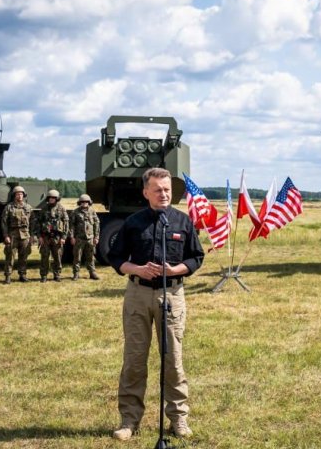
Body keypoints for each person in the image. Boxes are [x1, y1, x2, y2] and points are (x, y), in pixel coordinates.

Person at [108, 168, 204, 441]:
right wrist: (137, 268)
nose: (163, 194)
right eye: (158, 190)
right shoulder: (133, 222)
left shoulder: (182, 222)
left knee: (173, 360)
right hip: (138, 295)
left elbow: (196, 258)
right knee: (134, 360)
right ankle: (129, 420)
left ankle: (178, 419)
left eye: (167, 190)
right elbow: (116, 259)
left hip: (172, 295)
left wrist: (174, 271)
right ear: (146, 192)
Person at [1, 185, 33, 283]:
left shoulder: (28, 207)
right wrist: (6, 235)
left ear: (24, 195)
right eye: (17, 194)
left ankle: (22, 275)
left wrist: (32, 236)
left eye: (21, 194)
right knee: (10, 256)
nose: (19, 196)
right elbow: (4, 222)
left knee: (23, 256)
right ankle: (8, 276)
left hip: (25, 235)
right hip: (12, 235)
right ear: (14, 195)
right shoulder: (9, 207)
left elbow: (33, 222)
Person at [36, 189, 68, 282]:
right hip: (45, 237)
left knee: (57, 257)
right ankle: (44, 275)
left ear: (57, 199)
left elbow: (66, 223)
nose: (51, 199)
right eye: (50, 198)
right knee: (44, 257)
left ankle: (57, 274)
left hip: (57, 237)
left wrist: (63, 237)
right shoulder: (43, 209)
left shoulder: (61, 209)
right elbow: (38, 223)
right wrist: (39, 236)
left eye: (53, 198)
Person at [69, 194, 101, 281]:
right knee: (77, 257)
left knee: (90, 257)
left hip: (90, 238)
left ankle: (92, 273)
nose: (84, 203)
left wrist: (96, 237)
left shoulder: (92, 212)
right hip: (79, 238)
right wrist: (72, 237)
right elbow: (71, 225)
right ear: (80, 203)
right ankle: (76, 273)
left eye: (86, 202)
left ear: (89, 202)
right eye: (82, 202)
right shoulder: (75, 212)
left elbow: (97, 224)